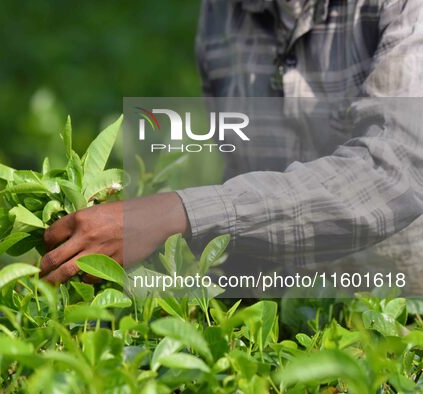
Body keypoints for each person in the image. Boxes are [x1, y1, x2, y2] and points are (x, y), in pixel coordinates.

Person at [39, 0, 423, 287]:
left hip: (399, 325)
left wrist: (174, 214)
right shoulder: (222, 11)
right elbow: (245, 173)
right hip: (283, 325)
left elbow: (395, 167)